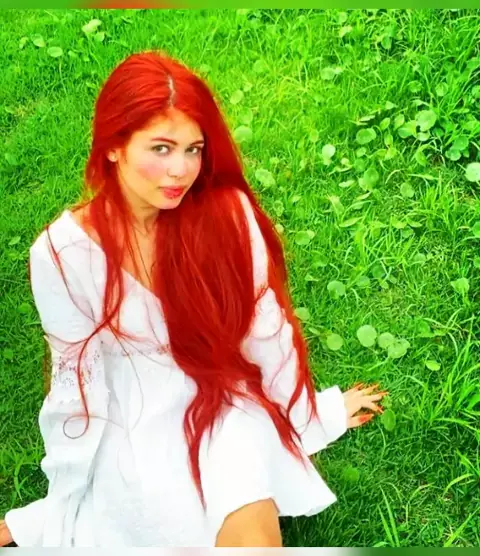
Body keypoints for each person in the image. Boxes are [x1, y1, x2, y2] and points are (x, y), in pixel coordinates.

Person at [0, 51, 388, 548]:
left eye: (193, 149)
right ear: (114, 146)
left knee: (248, 512)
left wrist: (309, 417)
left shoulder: (227, 215)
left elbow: (266, 334)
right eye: (161, 148)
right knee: (146, 513)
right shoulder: (61, 254)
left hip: (222, 398)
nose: (180, 170)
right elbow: (76, 383)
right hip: (133, 416)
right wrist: (61, 502)